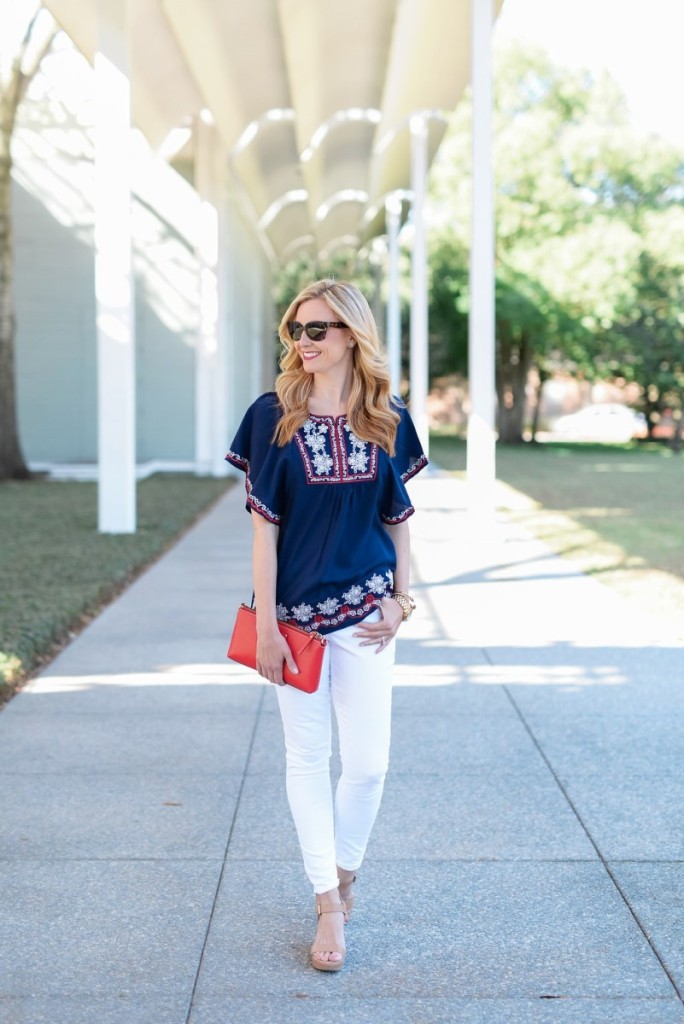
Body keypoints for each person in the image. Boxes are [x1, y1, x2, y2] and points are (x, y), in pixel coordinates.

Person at [225, 278, 427, 972]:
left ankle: (345, 873)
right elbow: (263, 535)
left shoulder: (389, 418)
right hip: (297, 626)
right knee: (307, 760)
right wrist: (267, 627)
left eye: (318, 329)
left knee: (369, 763)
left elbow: (399, 524)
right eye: (296, 330)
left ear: (351, 335)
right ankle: (328, 905)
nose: (304, 342)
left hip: (369, 614)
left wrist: (404, 601)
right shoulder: (271, 416)